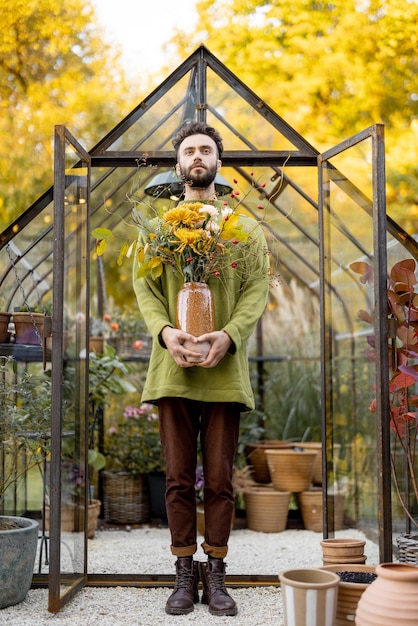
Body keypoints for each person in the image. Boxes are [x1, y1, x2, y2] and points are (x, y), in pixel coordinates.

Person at [133, 121, 270, 617]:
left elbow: (257, 289)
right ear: (177, 164)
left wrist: (228, 335)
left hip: (222, 369)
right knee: (175, 478)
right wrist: (167, 333)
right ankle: (183, 573)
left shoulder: (244, 227)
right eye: (189, 150)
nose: (197, 156)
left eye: (205, 149)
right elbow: (144, 289)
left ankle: (217, 574)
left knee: (218, 479)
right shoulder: (157, 226)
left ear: (217, 162)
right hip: (173, 368)